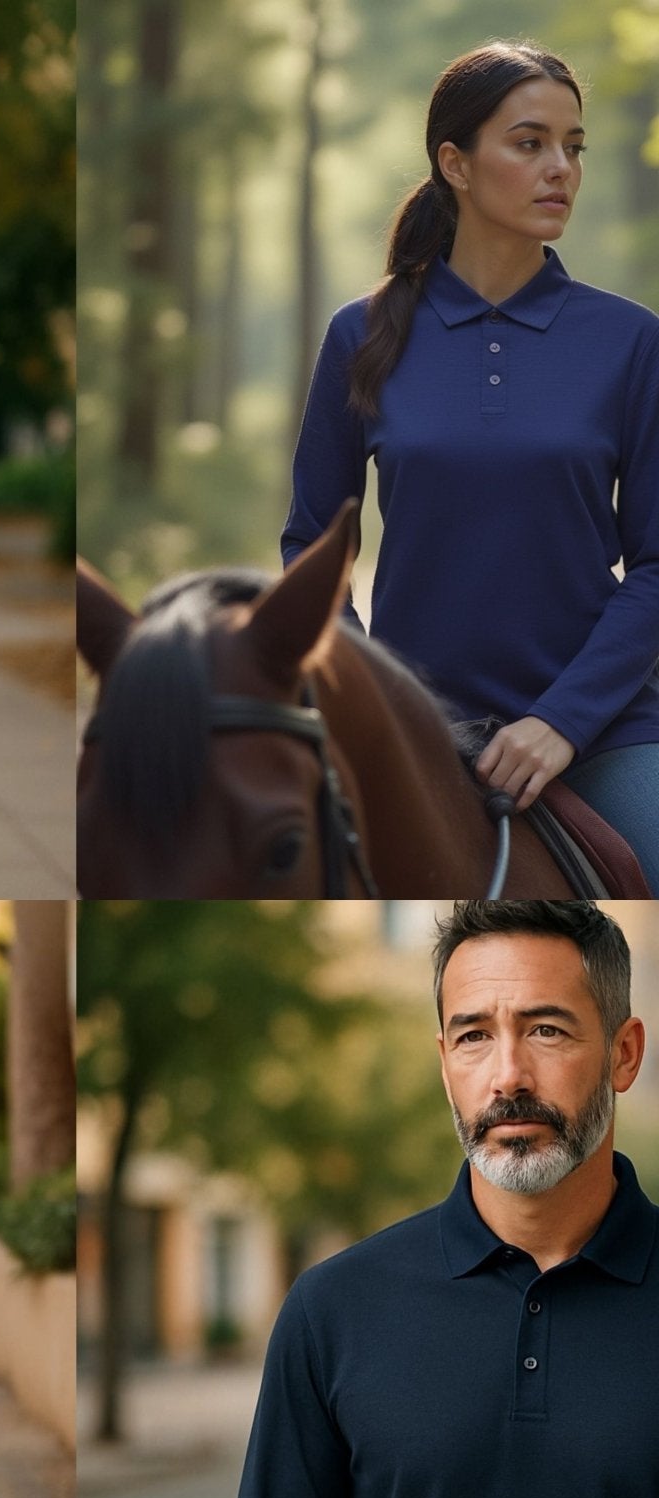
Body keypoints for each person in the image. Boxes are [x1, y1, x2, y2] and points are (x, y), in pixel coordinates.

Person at [221, 900, 659, 1498]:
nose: (508, 1075)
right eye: (472, 1036)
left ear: (623, 1053)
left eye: (546, 1029)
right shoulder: (337, 1308)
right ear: (443, 1067)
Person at [283, 43, 659, 892]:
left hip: (602, 732)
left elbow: (657, 566)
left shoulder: (630, 341)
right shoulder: (362, 334)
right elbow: (314, 549)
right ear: (454, 162)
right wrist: (368, 708)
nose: (560, 167)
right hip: (415, 733)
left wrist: (561, 722)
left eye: (574, 146)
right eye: (530, 143)